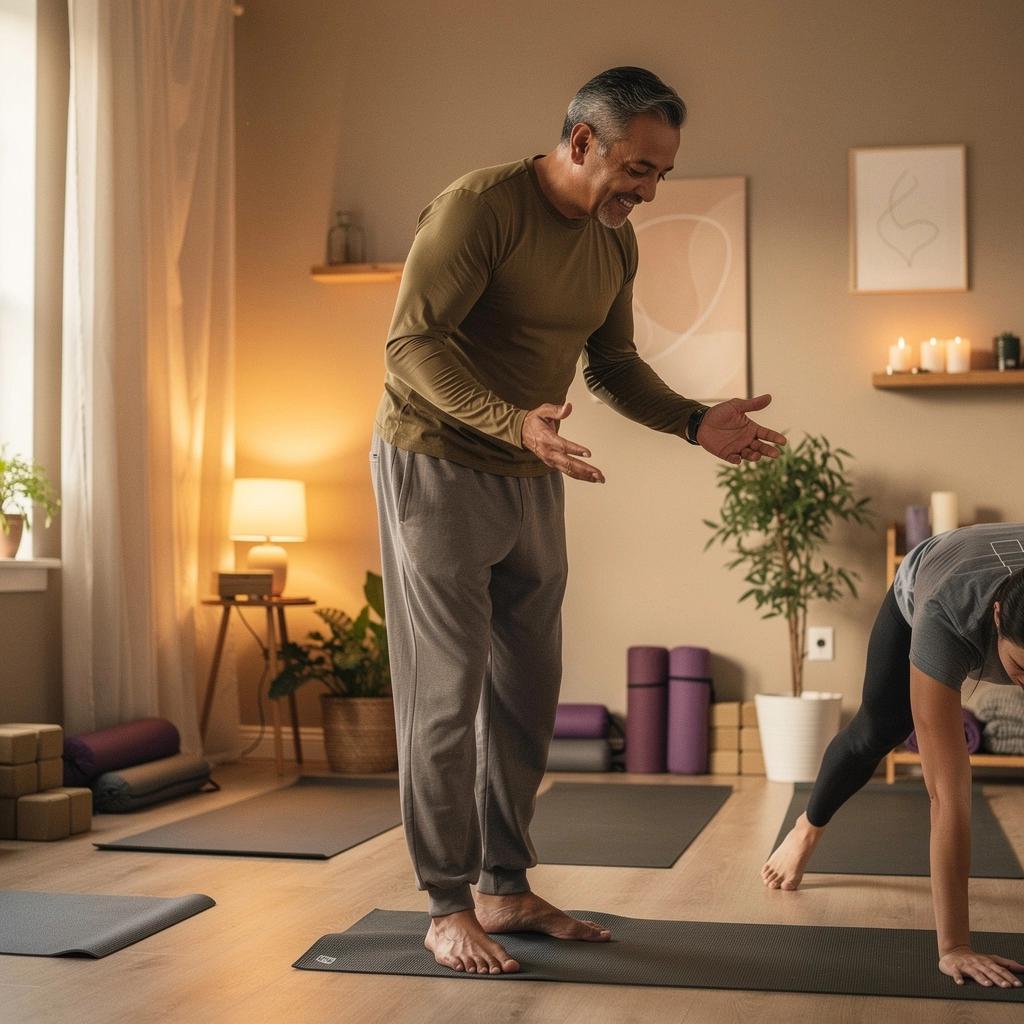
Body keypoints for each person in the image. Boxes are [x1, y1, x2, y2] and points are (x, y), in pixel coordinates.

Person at [370, 65, 786, 976]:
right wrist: (507, 420)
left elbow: (612, 365)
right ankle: (445, 905)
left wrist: (690, 419)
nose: (646, 190)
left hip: (532, 467)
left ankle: (505, 886)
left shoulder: (613, 244)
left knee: (526, 692)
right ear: (583, 140)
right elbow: (410, 346)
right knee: (446, 695)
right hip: (436, 463)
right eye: (637, 168)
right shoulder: (480, 207)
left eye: (661, 175)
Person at [764, 522, 1024, 989]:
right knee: (879, 729)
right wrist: (955, 947)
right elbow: (947, 796)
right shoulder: (949, 615)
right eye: (1022, 668)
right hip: (934, 571)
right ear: (1000, 617)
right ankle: (807, 827)